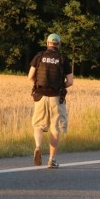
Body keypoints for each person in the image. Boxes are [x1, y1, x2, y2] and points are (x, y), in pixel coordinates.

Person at [28, 33, 74, 168]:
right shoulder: (63, 59)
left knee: (38, 125)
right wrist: (60, 86)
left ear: (47, 43)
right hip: (55, 96)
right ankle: (52, 160)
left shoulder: (39, 56)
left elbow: (30, 76)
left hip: (40, 96)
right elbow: (70, 81)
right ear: (58, 44)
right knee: (55, 127)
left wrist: (36, 86)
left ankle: (37, 146)